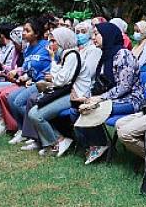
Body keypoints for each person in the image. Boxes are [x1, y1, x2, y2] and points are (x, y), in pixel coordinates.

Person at [24, 27, 99, 157]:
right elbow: (59, 77)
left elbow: (59, 80)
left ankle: (57, 141)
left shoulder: (72, 55)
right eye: (50, 41)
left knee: (36, 115)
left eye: (54, 41)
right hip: (67, 93)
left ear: (63, 40)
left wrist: (52, 61)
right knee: (34, 110)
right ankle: (58, 140)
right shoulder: (67, 54)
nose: (51, 44)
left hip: (75, 96)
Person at [74, 22, 142, 164]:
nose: (93, 38)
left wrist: (99, 99)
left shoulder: (123, 55)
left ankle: (101, 146)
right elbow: (101, 84)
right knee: (76, 108)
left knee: (90, 110)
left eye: (96, 34)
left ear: (107, 35)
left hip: (131, 100)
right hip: (111, 98)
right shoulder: (106, 55)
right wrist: (89, 98)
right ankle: (93, 144)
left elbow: (124, 87)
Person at [4, 18, 51, 146]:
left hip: (43, 83)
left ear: (36, 33)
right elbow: (27, 68)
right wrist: (23, 75)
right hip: (31, 82)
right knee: (11, 98)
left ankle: (35, 132)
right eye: (24, 30)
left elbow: (53, 64)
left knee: (19, 102)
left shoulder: (46, 46)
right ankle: (22, 129)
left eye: (27, 30)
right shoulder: (27, 49)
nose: (23, 33)